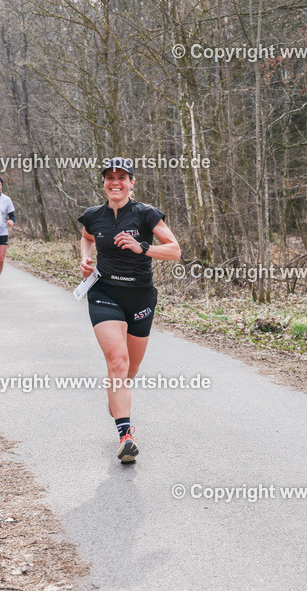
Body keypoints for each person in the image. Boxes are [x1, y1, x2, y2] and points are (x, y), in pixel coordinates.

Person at [77, 157, 180, 462]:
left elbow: (174, 250)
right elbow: (87, 238)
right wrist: (85, 258)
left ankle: (116, 392)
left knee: (129, 371)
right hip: (104, 293)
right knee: (118, 362)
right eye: (110, 177)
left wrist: (142, 248)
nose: (116, 182)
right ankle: (125, 436)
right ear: (104, 183)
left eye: (122, 177)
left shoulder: (146, 214)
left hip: (140, 298)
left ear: (131, 182)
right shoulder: (93, 216)